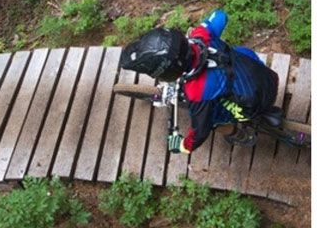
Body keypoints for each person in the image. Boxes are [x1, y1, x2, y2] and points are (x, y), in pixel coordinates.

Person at [119, 9, 286, 154]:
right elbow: (220, 16)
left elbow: (201, 131)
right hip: (263, 74)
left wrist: (184, 146)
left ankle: (240, 134)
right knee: (240, 52)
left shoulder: (197, 91)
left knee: (214, 121)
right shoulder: (201, 35)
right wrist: (203, 27)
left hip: (254, 102)